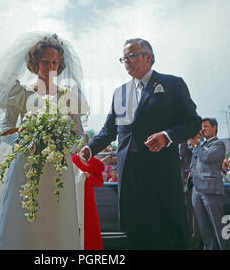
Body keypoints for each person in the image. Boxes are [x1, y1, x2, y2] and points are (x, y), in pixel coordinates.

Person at [80, 38, 202, 249]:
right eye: (123, 58)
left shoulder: (172, 84)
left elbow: (193, 123)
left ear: (149, 57)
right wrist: (90, 149)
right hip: (129, 175)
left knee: (164, 233)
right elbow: (109, 131)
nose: (126, 61)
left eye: (131, 55)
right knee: (135, 233)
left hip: (160, 172)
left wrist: (167, 135)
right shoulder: (120, 92)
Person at [0, 32, 88, 250]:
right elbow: (6, 129)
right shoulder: (20, 92)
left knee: (56, 218)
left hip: (58, 167)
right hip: (26, 164)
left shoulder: (68, 95)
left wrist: (61, 140)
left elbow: (78, 133)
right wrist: (28, 138)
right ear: (35, 62)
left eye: (55, 62)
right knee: (22, 218)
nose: (50, 66)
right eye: (45, 61)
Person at [191, 118, 227, 250]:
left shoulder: (219, 144)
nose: (203, 130)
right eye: (202, 127)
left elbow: (206, 157)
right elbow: (193, 160)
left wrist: (197, 145)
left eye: (206, 127)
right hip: (197, 190)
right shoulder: (201, 145)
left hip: (211, 191)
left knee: (218, 227)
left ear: (215, 127)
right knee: (204, 229)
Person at [72, 154, 104, 250]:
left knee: (90, 226)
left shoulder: (95, 162)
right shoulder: (72, 159)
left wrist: (89, 176)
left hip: (89, 199)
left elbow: (100, 183)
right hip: (75, 197)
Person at [179, 132, 203, 250]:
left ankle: (193, 246)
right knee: (186, 220)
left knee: (196, 222)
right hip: (184, 186)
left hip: (199, 188)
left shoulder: (204, 145)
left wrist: (196, 145)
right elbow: (181, 154)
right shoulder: (182, 144)